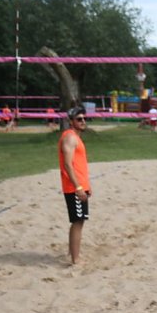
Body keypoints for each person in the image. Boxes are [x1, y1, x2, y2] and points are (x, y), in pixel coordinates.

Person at [59, 107, 91, 265]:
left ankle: (73, 253)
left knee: (80, 221)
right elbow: (67, 164)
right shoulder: (70, 138)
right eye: (79, 119)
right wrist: (78, 188)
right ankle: (75, 259)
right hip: (73, 188)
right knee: (77, 222)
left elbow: (80, 165)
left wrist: (86, 186)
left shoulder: (76, 138)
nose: (83, 121)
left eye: (84, 118)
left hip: (80, 185)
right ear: (71, 121)